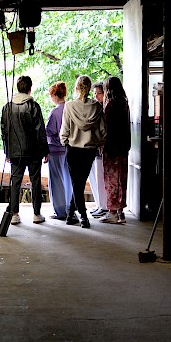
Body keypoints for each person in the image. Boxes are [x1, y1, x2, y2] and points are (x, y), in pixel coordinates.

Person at [1, 75, 50, 225]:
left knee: (15, 182)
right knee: (35, 182)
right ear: (30, 89)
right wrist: (45, 150)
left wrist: (7, 152)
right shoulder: (33, 106)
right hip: (33, 151)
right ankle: (36, 214)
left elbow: (4, 131)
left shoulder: (7, 107)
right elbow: (40, 130)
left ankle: (14, 214)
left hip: (15, 152)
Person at [60, 75, 106, 229]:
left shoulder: (69, 106)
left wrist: (64, 141)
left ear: (77, 88)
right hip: (89, 150)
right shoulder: (97, 107)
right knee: (79, 183)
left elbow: (65, 129)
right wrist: (98, 142)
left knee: (77, 184)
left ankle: (83, 217)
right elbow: (103, 131)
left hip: (72, 149)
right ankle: (69, 214)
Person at [99, 76, 131, 224]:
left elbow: (107, 129)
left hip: (111, 149)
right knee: (121, 180)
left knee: (111, 180)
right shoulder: (124, 104)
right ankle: (120, 212)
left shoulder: (110, 106)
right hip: (123, 148)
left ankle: (112, 212)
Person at [45, 81, 72, 220]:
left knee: (56, 180)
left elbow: (49, 131)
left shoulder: (55, 112)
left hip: (55, 149)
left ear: (55, 95)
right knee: (68, 179)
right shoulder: (71, 108)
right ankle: (69, 208)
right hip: (69, 149)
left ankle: (60, 211)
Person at [88, 81, 109, 218]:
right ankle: (99, 204)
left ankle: (104, 206)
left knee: (101, 178)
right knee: (94, 177)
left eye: (99, 93)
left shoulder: (105, 109)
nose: (96, 96)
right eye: (94, 93)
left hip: (102, 147)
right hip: (94, 147)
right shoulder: (96, 108)